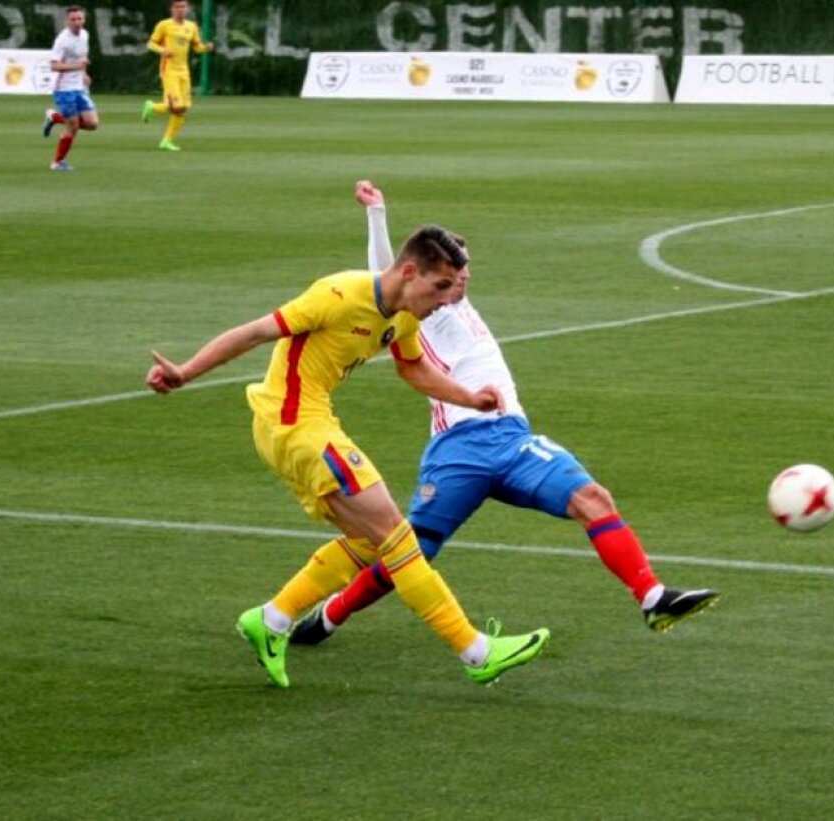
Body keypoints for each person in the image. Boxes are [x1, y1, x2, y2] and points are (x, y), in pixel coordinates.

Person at [289, 181, 718, 649]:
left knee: (593, 498)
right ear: (428, 279)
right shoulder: (421, 313)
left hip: (515, 441)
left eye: (467, 269)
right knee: (412, 551)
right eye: (453, 273)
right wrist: (377, 215)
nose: (464, 278)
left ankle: (652, 597)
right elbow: (385, 273)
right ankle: (329, 615)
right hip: (460, 448)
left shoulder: (460, 304)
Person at [145, 225, 550, 688]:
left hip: (312, 425)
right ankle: (475, 652)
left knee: (369, 541)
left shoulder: (404, 315)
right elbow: (256, 331)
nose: (445, 299)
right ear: (410, 271)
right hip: (292, 424)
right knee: (399, 537)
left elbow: (412, 367)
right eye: (439, 286)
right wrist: (185, 372)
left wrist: (467, 397)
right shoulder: (338, 295)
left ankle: (273, 619)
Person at [140, 0, 214, 151]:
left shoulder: (191, 26)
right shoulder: (164, 25)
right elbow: (151, 44)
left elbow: (197, 46)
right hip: (169, 70)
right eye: (177, 7)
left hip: (184, 70)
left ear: (187, 8)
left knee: (183, 108)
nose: (180, 10)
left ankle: (165, 137)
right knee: (177, 106)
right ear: (171, 9)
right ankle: (154, 111)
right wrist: (162, 50)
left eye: (183, 7)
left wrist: (206, 47)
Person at [41, 6, 98, 172]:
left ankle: (53, 117)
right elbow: (54, 66)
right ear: (67, 21)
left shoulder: (85, 35)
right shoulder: (62, 40)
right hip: (64, 89)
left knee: (92, 123)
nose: (77, 22)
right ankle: (57, 162)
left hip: (79, 87)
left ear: (84, 20)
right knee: (72, 126)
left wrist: (84, 73)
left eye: (79, 19)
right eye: (73, 19)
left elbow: (83, 57)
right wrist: (76, 67)